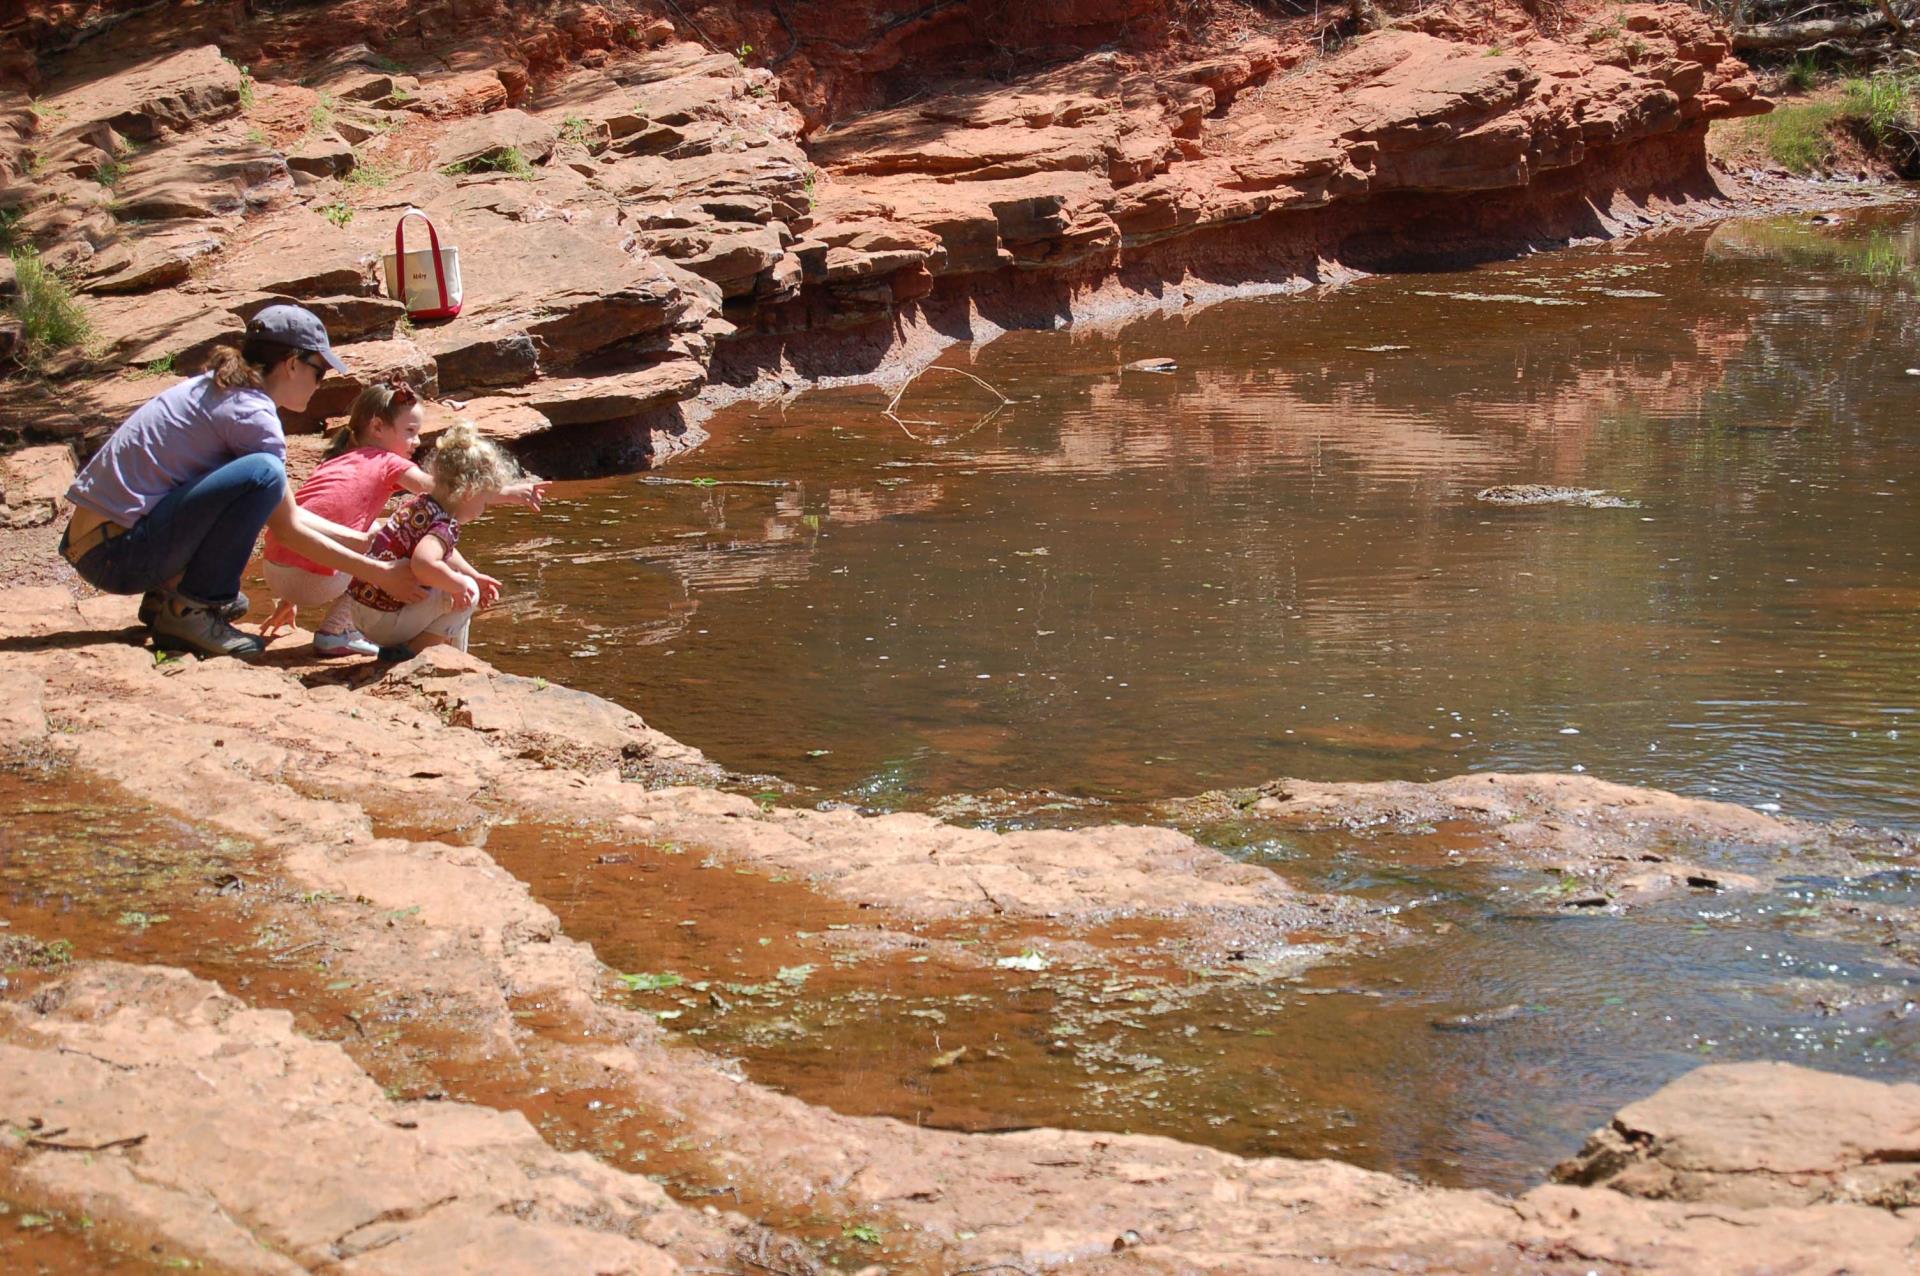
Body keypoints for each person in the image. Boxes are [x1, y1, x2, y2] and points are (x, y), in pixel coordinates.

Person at [60, 304, 427, 657]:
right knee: (263, 474)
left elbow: (289, 513)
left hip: (99, 544)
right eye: (320, 372)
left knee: (238, 575)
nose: (320, 383)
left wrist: (362, 540)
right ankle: (190, 613)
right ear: (292, 364)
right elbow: (288, 529)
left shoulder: (221, 389)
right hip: (116, 556)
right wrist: (379, 573)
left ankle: (171, 597)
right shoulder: (254, 417)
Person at [259, 380, 545, 657]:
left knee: (382, 527)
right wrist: (506, 492)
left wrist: (290, 596)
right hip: (311, 580)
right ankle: (336, 631)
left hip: (276, 568)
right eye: (410, 431)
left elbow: (316, 517)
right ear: (378, 428)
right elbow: (447, 489)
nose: (417, 441)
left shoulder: (337, 459)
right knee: (396, 538)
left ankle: (339, 624)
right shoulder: (386, 461)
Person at [347, 418, 524, 656]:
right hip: (384, 621)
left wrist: (473, 574)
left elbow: (443, 553)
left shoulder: (422, 504)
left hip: (361, 609)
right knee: (466, 590)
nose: (483, 510)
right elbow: (425, 562)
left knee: (460, 582)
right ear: (469, 493)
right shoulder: (444, 524)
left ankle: (449, 655)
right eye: (484, 502)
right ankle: (413, 653)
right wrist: (460, 583)